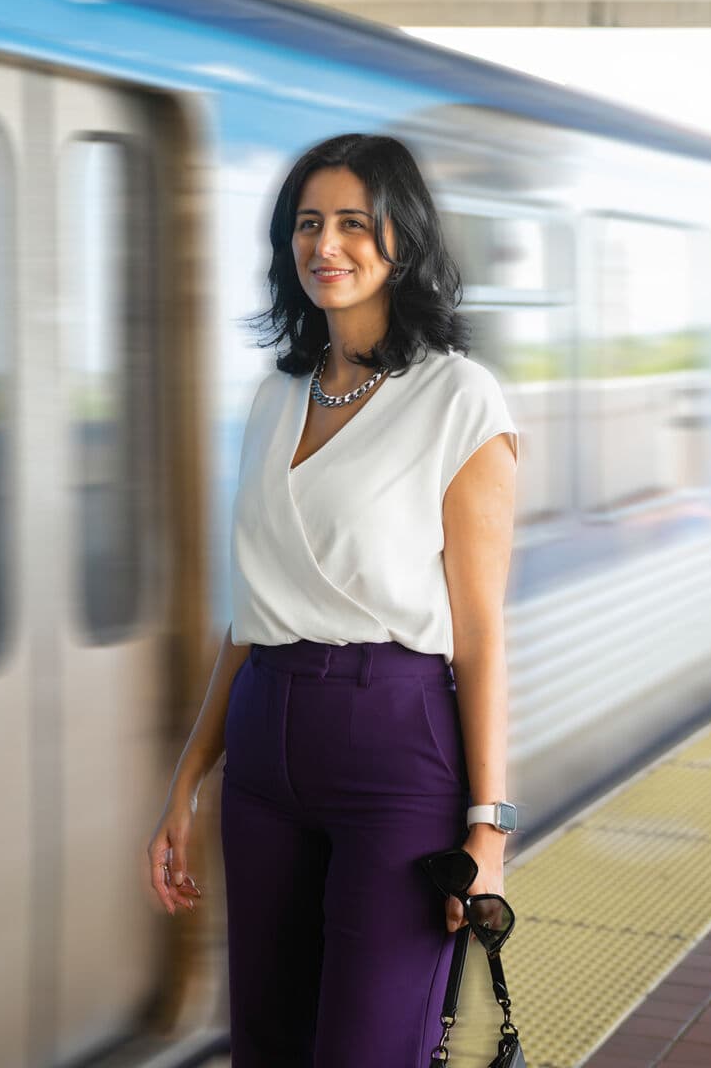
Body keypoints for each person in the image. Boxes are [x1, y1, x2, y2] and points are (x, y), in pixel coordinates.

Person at [144, 134, 519, 1065]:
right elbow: (252, 613)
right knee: (266, 1043)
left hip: (394, 747)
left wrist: (489, 830)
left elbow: (478, 636)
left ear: (403, 238)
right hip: (266, 744)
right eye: (308, 224)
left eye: (354, 222)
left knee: (367, 1047)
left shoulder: (459, 400)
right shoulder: (274, 398)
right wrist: (187, 781)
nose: (327, 245)